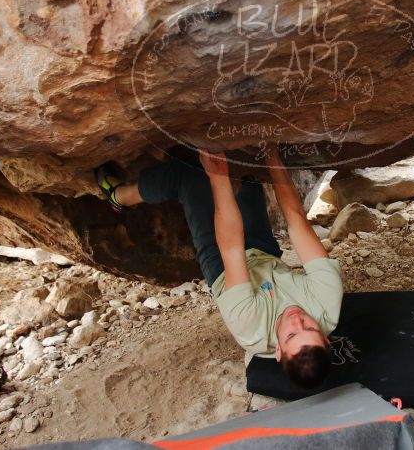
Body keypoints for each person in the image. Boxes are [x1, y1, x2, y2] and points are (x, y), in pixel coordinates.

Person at [95, 145, 343, 388]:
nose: (298, 320)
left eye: (291, 335)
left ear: (277, 351)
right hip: (265, 255)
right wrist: (271, 152)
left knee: (191, 176)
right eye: (309, 328)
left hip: (222, 266)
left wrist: (218, 176)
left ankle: (119, 196)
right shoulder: (326, 304)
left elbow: (231, 248)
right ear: (325, 338)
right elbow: (295, 218)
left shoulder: (250, 326)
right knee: (249, 180)